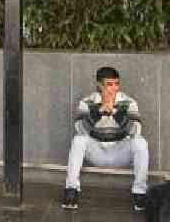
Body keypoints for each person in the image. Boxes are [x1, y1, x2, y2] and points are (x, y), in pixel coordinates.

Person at [61, 66, 149, 213]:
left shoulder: (128, 102)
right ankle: (71, 190)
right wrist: (98, 112)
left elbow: (136, 130)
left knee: (140, 142)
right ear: (100, 85)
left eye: (117, 84)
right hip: (96, 152)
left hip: (120, 152)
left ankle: (140, 192)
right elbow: (80, 129)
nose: (114, 88)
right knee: (78, 140)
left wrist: (115, 112)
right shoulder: (87, 102)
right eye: (109, 84)